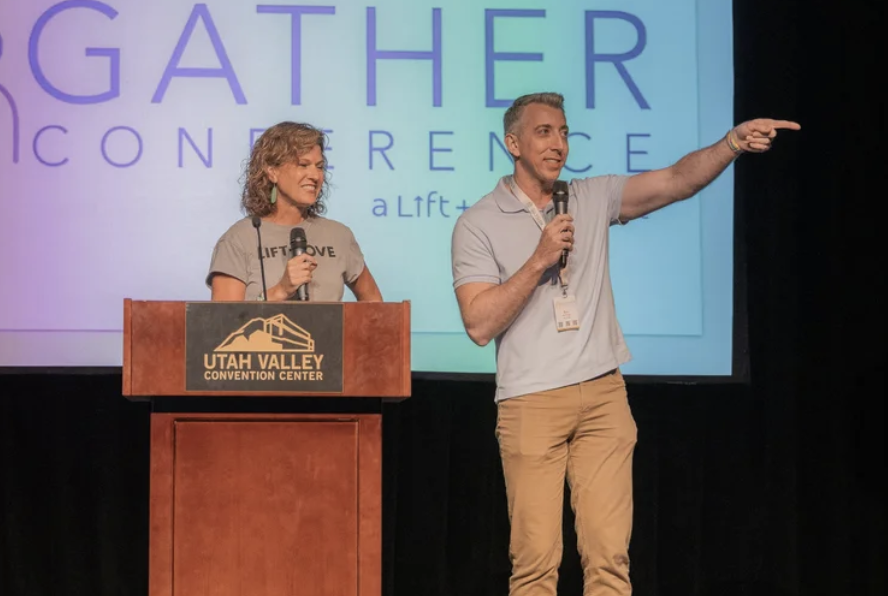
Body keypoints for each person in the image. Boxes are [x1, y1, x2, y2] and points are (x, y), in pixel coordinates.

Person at [450, 92, 799, 595]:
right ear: (513, 144)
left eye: (564, 132)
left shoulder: (591, 197)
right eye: (544, 132)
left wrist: (731, 143)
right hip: (531, 401)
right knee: (534, 567)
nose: (558, 144)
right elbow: (479, 324)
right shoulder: (478, 222)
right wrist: (539, 259)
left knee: (610, 562)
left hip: (602, 396)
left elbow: (675, 181)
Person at [207, 121, 382, 302]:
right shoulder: (239, 239)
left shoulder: (339, 236)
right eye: (303, 165)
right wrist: (280, 291)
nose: (315, 176)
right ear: (272, 172)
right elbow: (225, 317)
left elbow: (376, 307)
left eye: (319, 166)